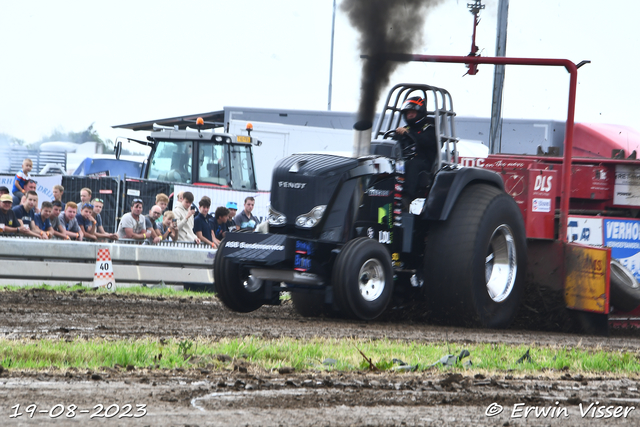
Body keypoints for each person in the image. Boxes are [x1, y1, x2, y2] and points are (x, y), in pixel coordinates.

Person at [393, 96, 439, 202]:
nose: (410, 114)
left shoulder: (430, 127)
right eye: (408, 112)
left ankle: (406, 197)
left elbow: (427, 141)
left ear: (420, 112)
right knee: (390, 164)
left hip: (425, 161)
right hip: (405, 159)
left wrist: (409, 134)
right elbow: (394, 144)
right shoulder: (406, 129)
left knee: (411, 164)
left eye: (412, 111)